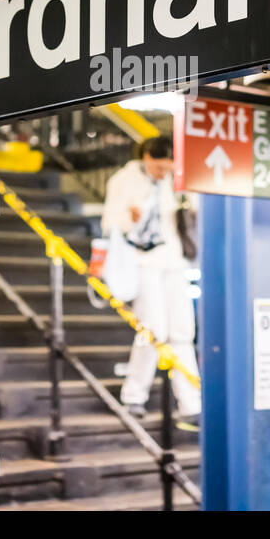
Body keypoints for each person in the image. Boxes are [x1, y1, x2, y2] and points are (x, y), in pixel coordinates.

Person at [102, 135, 201, 426]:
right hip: (141, 261)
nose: (162, 174)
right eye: (159, 168)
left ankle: (190, 402)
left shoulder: (176, 179)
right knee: (152, 329)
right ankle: (134, 396)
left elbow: (192, 209)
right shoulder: (123, 180)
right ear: (146, 158)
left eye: (167, 169)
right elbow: (109, 224)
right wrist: (129, 218)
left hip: (174, 259)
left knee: (182, 330)